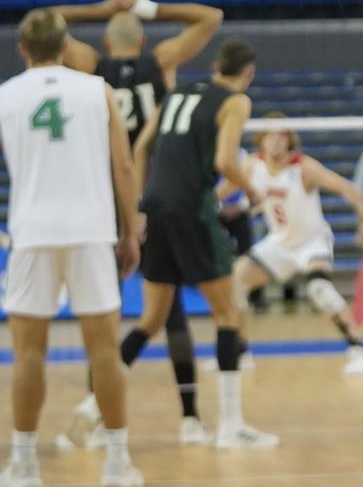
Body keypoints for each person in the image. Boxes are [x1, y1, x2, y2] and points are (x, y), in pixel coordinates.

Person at [74, 38, 275, 450]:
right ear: (248, 75)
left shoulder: (180, 91)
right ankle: (231, 426)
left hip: (157, 206)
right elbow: (224, 162)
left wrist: (141, 200)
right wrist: (253, 191)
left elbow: (143, 145)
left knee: (151, 319)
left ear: (215, 63)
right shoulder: (235, 101)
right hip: (192, 209)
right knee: (228, 313)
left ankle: (94, 406)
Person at [52, 0, 221, 442]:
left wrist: (97, 8)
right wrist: (149, 7)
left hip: (106, 200)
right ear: (144, 38)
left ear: (106, 43)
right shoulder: (162, 60)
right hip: (156, 198)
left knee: (102, 315)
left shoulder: (91, 66)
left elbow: (46, 20)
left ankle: (101, 420)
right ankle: (189, 419)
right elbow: (210, 16)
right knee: (172, 313)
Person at [1, 10, 146, 487]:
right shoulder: (96, 89)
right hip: (91, 230)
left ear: (22, 48)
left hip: (32, 232)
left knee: (27, 354)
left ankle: (23, 464)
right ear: (66, 47)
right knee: (104, 351)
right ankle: (117, 462)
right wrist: (129, 231)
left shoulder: (5, 96)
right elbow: (123, 166)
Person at [232, 116, 363, 368]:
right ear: (261, 140)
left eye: (282, 135)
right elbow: (230, 190)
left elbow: (344, 187)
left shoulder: (304, 167)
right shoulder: (252, 165)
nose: (276, 140)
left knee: (319, 288)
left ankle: (359, 351)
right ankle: (240, 353)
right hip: (278, 242)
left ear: (290, 140)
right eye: (270, 135)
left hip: (312, 241)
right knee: (234, 283)